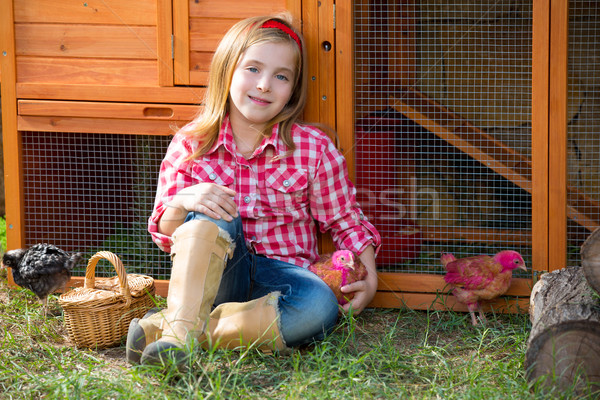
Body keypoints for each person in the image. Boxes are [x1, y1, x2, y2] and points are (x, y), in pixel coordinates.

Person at [126, 13, 381, 368]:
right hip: (213, 281)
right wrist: (183, 202)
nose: (264, 85)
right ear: (227, 70)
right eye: (253, 69)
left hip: (283, 281)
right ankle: (181, 332)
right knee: (207, 207)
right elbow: (165, 234)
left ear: (293, 89)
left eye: (280, 76)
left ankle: (172, 332)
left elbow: (345, 220)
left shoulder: (312, 148)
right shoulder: (192, 143)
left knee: (319, 307)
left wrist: (370, 277)